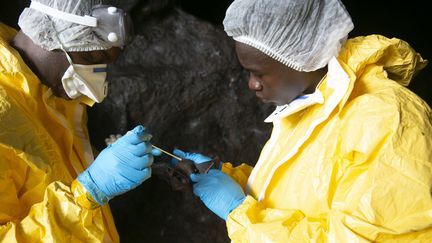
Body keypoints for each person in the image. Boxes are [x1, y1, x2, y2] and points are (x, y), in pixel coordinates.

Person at [173, 0, 432, 241]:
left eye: (259, 73)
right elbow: (300, 192)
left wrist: (240, 212)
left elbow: (369, 236)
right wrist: (226, 178)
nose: (252, 84)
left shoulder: (386, 117)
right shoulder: (316, 102)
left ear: (301, 58)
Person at [0, 0, 160, 242]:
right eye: (97, 57)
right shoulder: (5, 120)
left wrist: (118, 165)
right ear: (60, 38)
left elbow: (49, 172)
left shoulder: (52, 96)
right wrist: (88, 193)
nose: (100, 72)